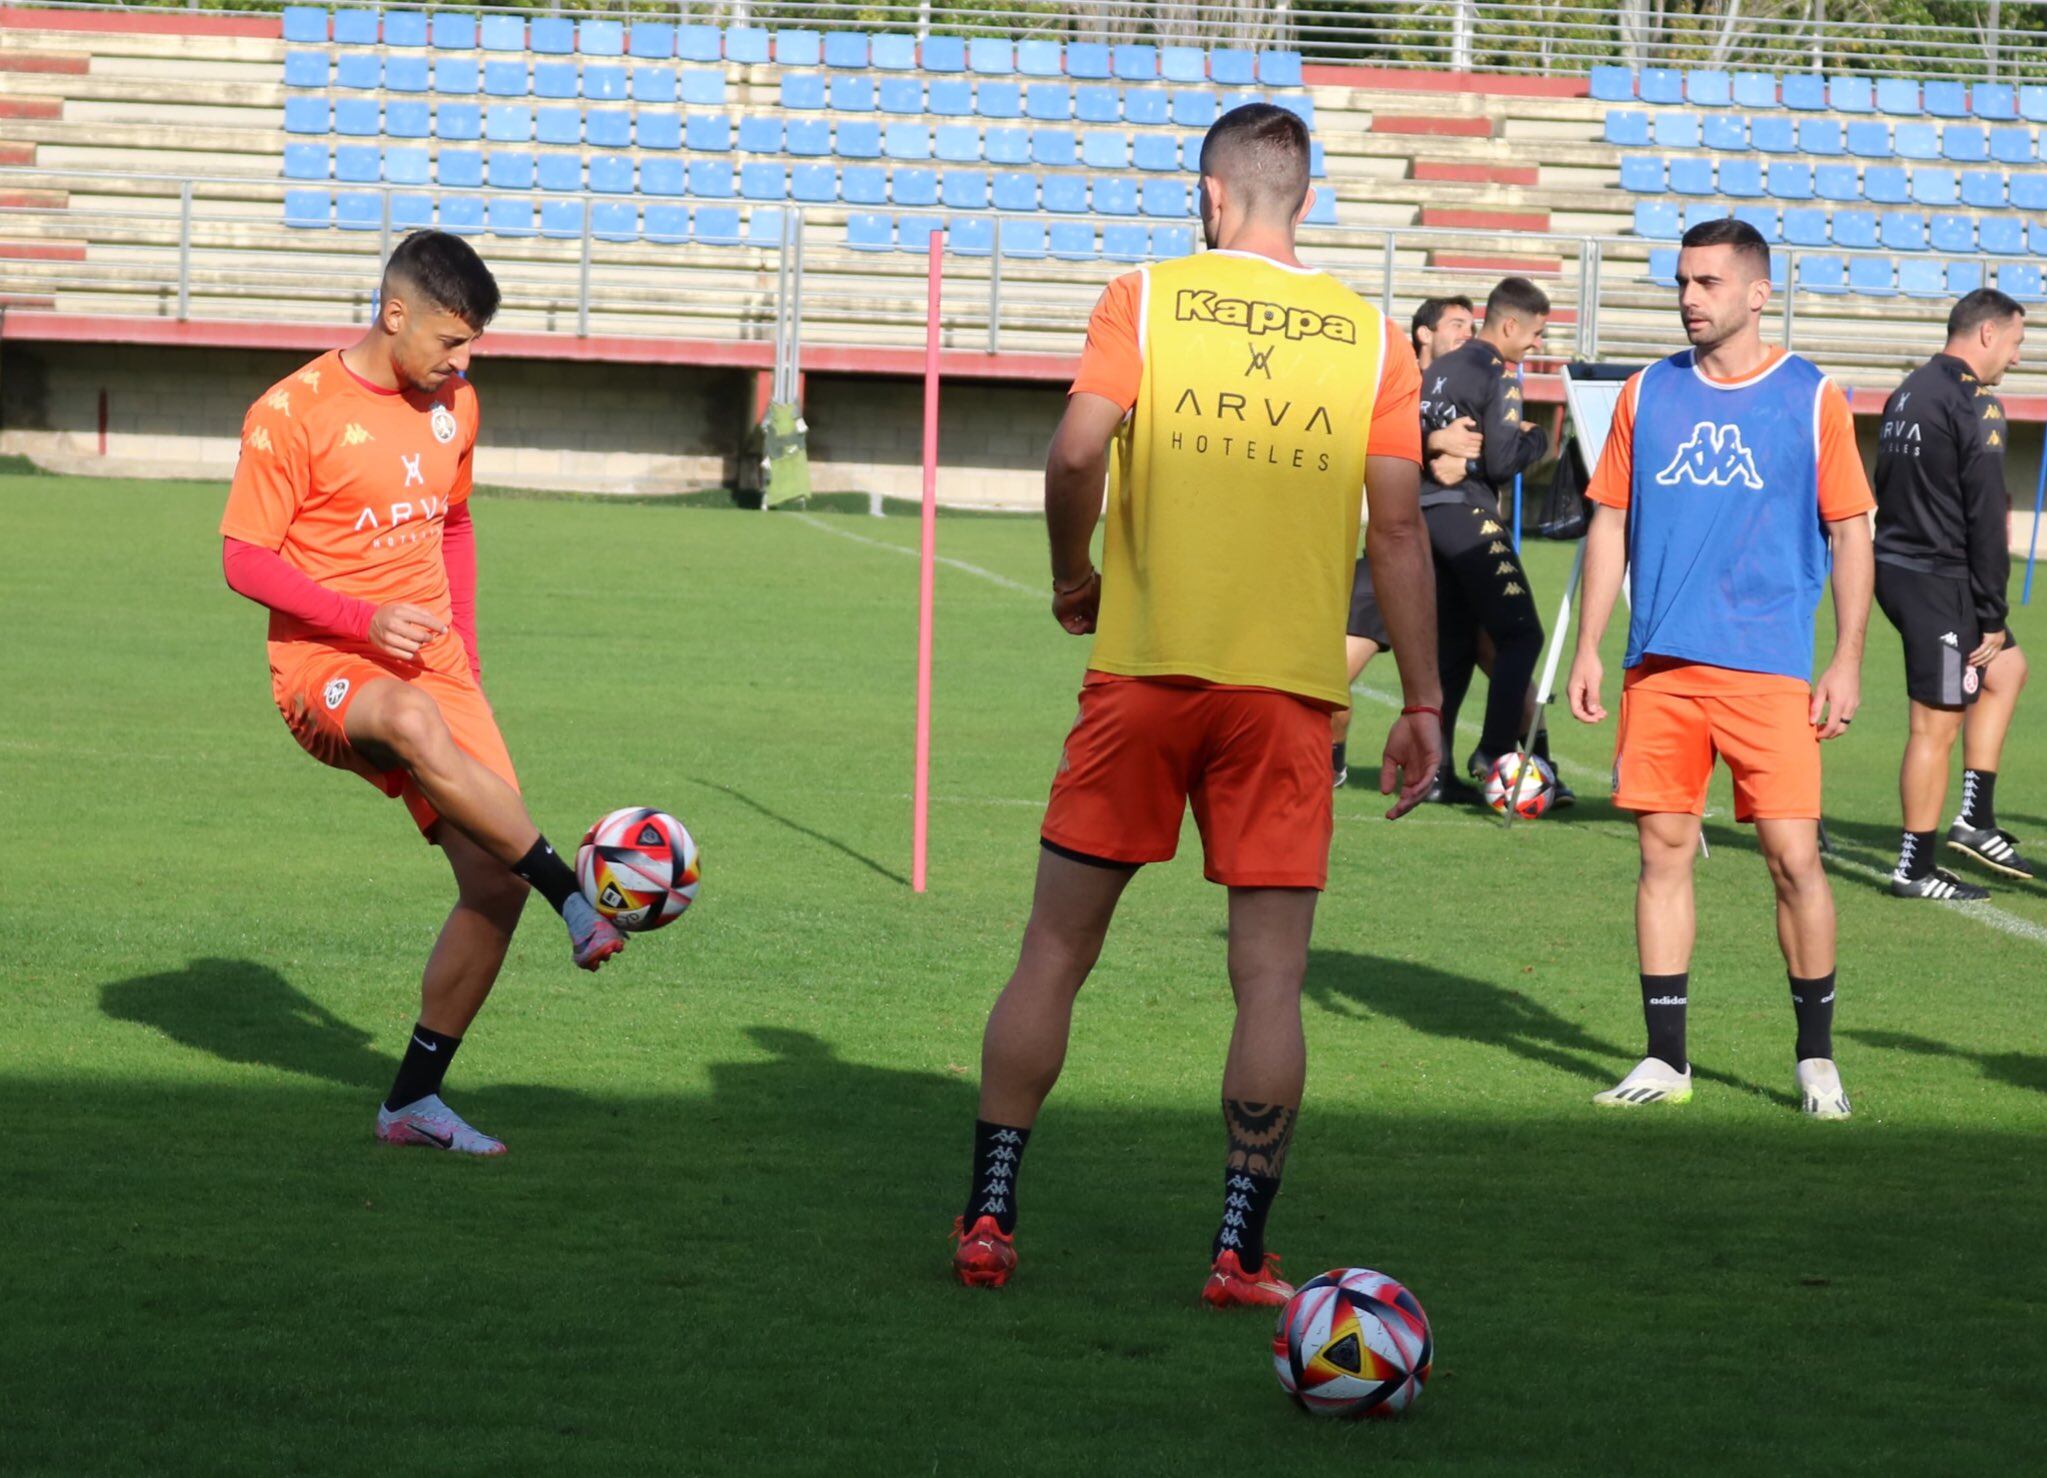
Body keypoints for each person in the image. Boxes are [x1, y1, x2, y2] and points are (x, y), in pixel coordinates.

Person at [948, 104, 1442, 1305]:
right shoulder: (1375, 339)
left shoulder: (1146, 297)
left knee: (1055, 951)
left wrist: (1074, 575)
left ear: (1210, 196)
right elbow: (1394, 527)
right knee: (1269, 979)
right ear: (1303, 201)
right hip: (1286, 692)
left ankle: (988, 1219)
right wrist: (1423, 699)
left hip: (1144, 669)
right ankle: (1238, 1248)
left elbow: (1074, 454)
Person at [219, 231, 626, 1158]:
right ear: (393, 315)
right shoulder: (292, 411)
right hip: (329, 668)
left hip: (435, 663)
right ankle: (573, 894)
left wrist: (465, 656)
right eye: (451, 340)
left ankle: (411, 1103)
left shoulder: (457, 404)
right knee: (410, 721)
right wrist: (363, 623)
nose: (463, 360)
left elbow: (454, 521)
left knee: (492, 887)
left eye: (473, 343)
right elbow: (243, 558)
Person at [1566, 218, 1872, 1119]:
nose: (1689, 299)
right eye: (1681, 282)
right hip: (1659, 666)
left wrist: (1846, 659)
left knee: (1792, 858)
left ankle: (1815, 1059)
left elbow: (1851, 530)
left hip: (1768, 668)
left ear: (1756, 293)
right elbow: (1610, 520)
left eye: (1706, 283)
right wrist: (1588, 644)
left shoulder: (1810, 398)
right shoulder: (1644, 393)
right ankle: (1666, 1059)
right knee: (1661, 854)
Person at [1874, 289, 2031, 899]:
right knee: (1933, 727)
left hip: (1903, 566)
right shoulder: (1976, 404)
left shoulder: (1907, 390)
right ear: (1987, 334)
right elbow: (1988, 517)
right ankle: (1913, 867)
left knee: (2008, 670)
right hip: (1938, 581)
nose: (2016, 358)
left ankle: (1975, 818)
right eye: (2016, 343)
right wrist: (1991, 611)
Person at [1419, 277, 1559, 796]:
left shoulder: (1439, 368)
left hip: (1425, 515)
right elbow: (1500, 465)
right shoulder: (1498, 374)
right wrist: (1537, 440)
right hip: (1467, 517)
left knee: (1454, 647)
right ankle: (1497, 749)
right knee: (1523, 635)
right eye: (1536, 333)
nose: (1536, 345)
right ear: (1508, 325)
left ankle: (1434, 772)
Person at [1330, 296, 1477, 786]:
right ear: (1423, 334)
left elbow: (1501, 450)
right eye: (1457, 324)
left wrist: (1472, 459)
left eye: (1472, 326)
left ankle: (1527, 763)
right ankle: (1330, 768)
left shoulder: (1479, 388)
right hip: (1392, 558)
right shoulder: (1391, 377)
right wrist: (1435, 442)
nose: (1467, 334)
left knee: (1512, 659)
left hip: (1457, 558)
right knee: (1326, 686)